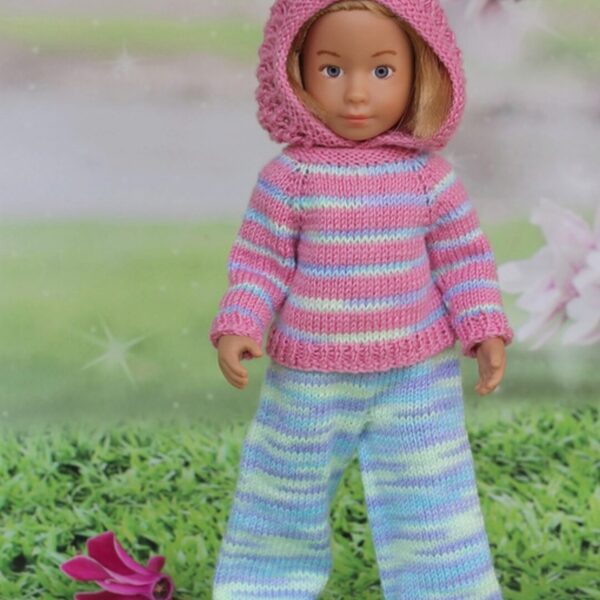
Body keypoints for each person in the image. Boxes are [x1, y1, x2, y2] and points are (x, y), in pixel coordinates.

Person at [208, 1, 513, 598]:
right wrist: (242, 321)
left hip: (417, 374)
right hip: (309, 375)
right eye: (331, 70)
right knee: (282, 493)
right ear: (292, 72)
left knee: (434, 497)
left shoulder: (428, 178)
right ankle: (260, 587)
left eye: (381, 71)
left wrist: (483, 326)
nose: (355, 93)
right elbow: (261, 262)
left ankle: (448, 588)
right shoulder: (289, 178)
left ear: (422, 72)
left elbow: (463, 260)